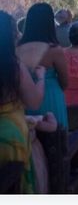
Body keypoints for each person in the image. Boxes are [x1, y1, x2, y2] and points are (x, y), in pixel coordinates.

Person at [0, 10, 45, 194]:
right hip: (11, 135)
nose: (19, 35)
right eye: (15, 33)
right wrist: (41, 79)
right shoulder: (14, 67)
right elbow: (34, 102)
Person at [18, 3, 69, 129]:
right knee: (55, 138)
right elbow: (65, 81)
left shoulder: (17, 48)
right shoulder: (55, 50)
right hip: (51, 95)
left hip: (26, 96)